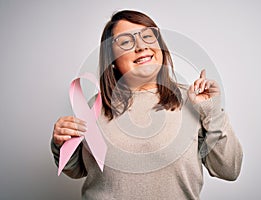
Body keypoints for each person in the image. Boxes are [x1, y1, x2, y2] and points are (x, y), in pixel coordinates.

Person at [51, 10, 243, 200]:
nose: (141, 46)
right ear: (112, 60)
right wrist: (61, 143)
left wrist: (212, 112)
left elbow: (229, 170)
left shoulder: (193, 101)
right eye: (126, 42)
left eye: (148, 37)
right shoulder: (95, 106)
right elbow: (77, 170)